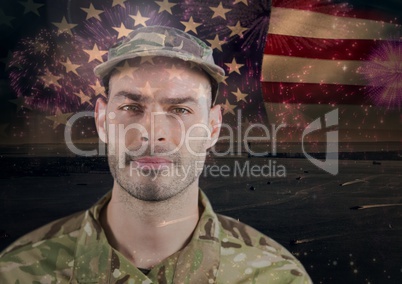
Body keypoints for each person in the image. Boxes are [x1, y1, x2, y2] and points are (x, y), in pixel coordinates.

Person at [0, 26, 312, 283]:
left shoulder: (276, 276)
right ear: (101, 120)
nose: (152, 132)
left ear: (213, 127)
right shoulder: (17, 272)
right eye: (131, 107)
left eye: (180, 109)